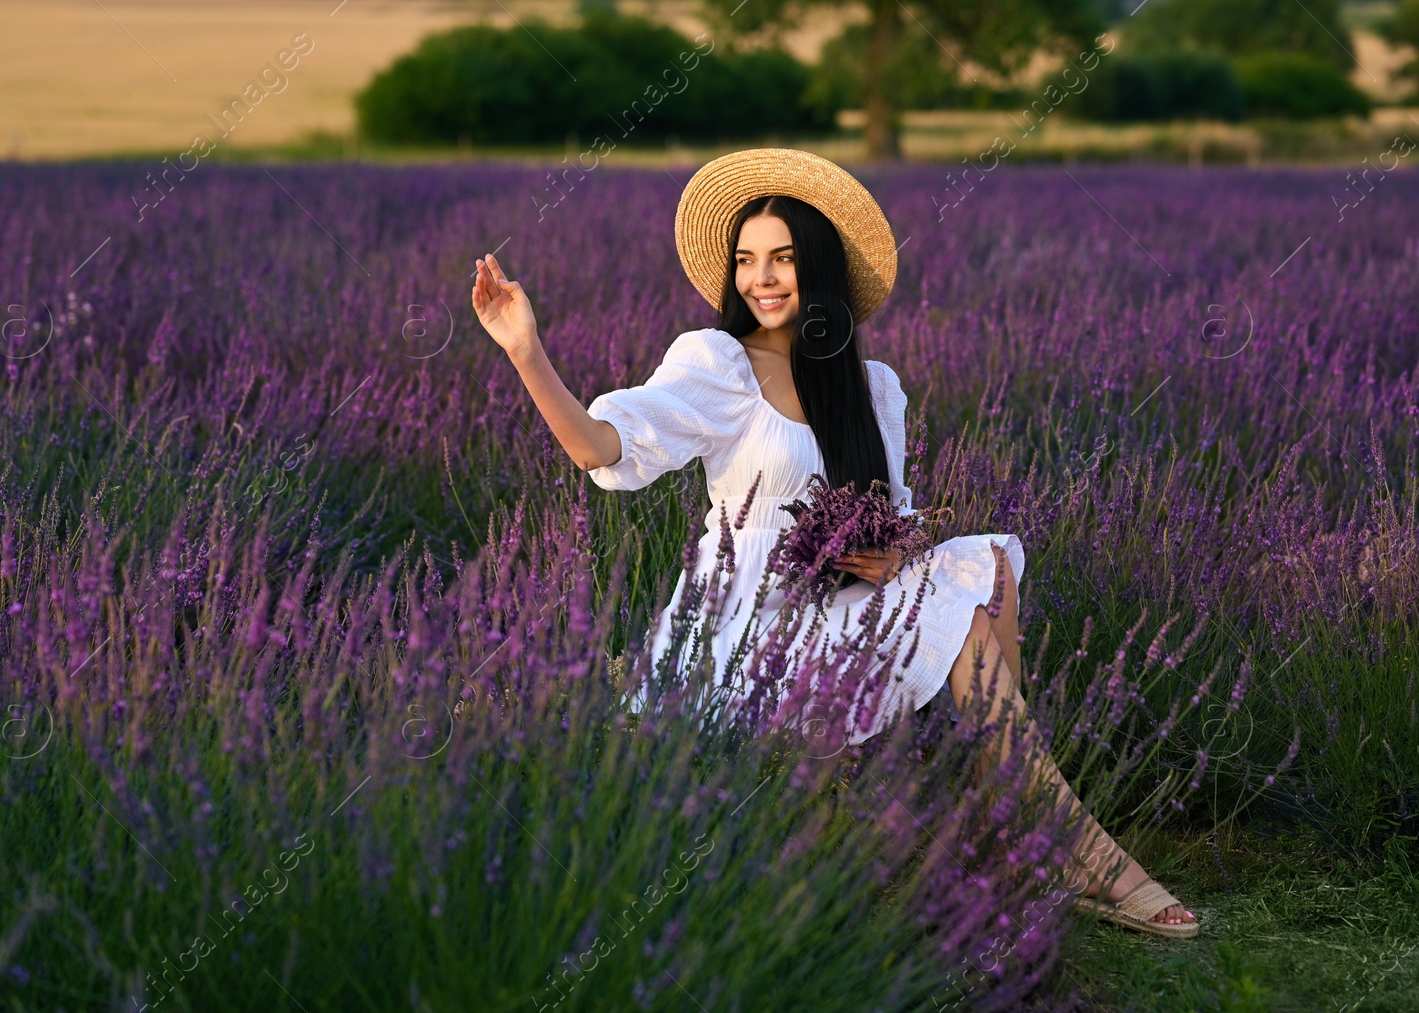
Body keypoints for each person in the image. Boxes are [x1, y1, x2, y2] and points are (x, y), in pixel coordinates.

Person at [470, 147, 1198, 937]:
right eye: (746, 261)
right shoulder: (717, 364)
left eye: (783, 258)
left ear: (820, 269)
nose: (763, 278)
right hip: (743, 634)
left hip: (838, 608)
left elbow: (895, 519)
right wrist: (525, 351)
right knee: (953, 607)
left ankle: (1016, 812)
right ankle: (1061, 844)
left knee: (985, 565)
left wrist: (898, 555)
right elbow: (600, 447)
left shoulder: (873, 387)